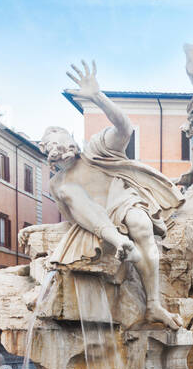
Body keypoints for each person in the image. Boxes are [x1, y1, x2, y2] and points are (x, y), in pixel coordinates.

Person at [39, 59, 183, 328]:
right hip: (96, 223)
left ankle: (153, 304)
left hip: (122, 202)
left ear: (71, 141)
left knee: (141, 225)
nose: (57, 146)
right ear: (48, 155)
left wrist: (98, 97)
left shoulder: (96, 150)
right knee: (68, 190)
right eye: (50, 145)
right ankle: (121, 243)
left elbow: (124, 129)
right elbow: (72, 217)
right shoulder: (58, 183)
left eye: (59, 138)